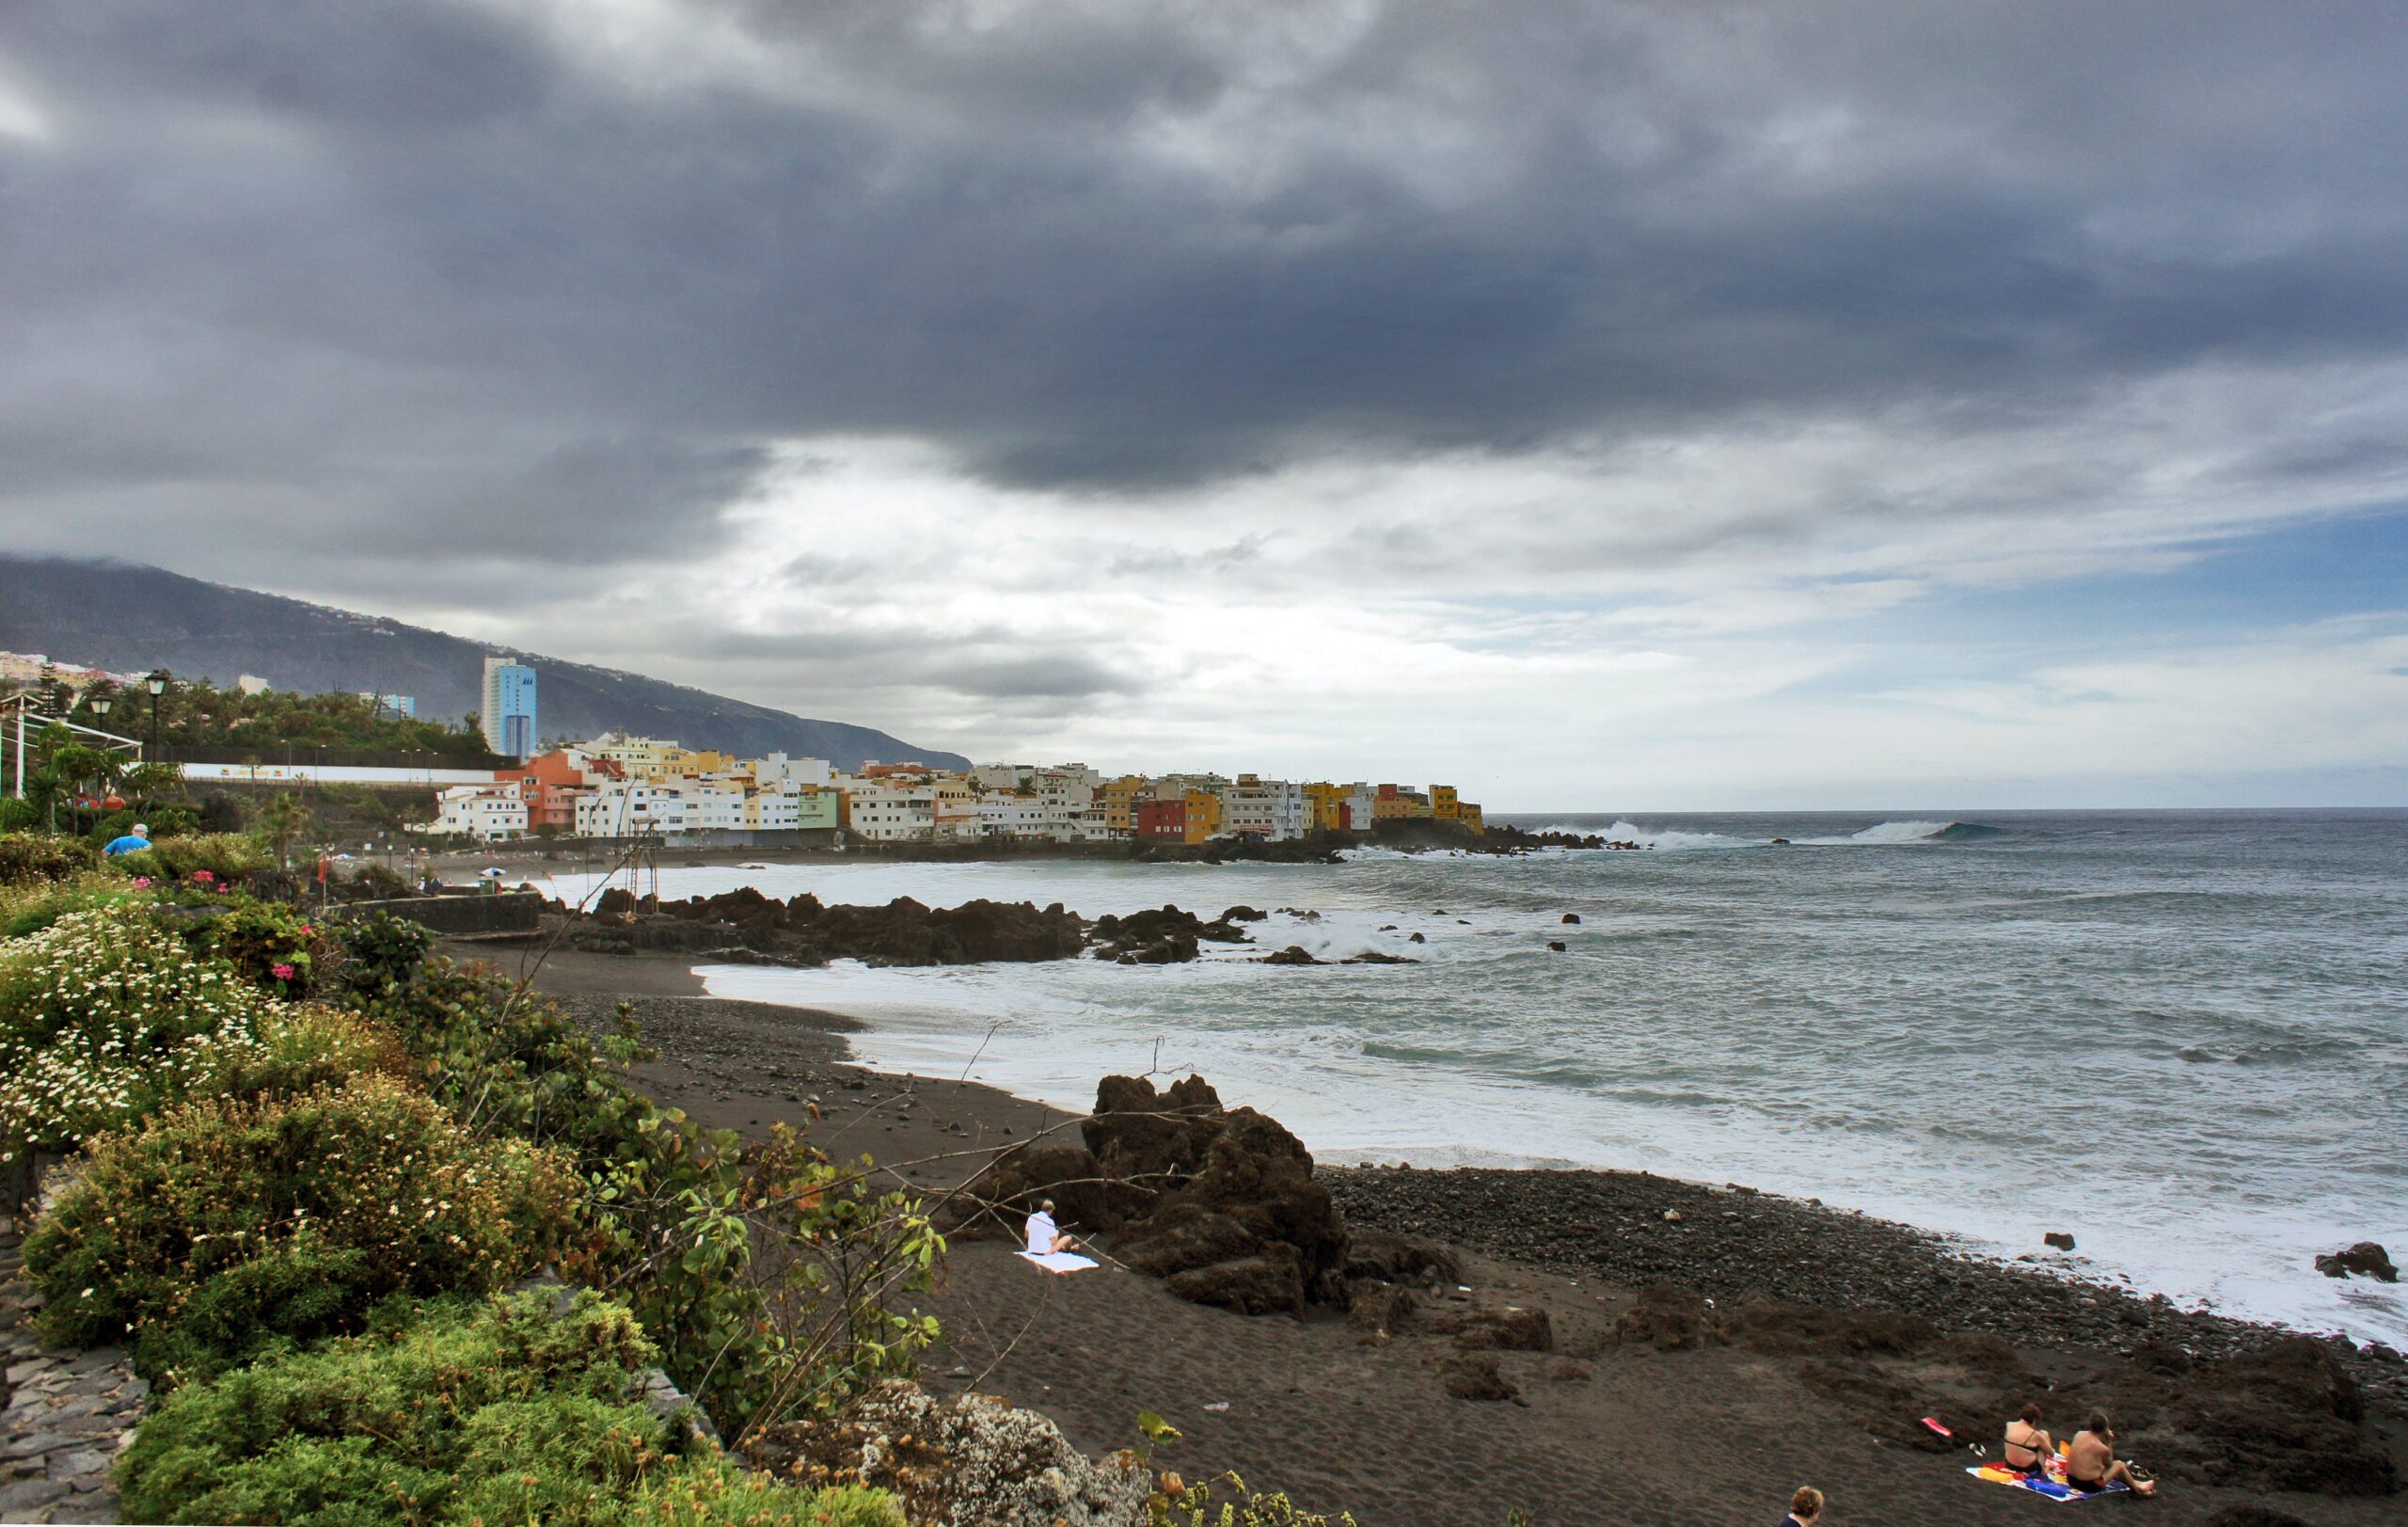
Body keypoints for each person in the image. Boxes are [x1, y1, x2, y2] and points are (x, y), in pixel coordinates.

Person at [2067, 1412, 2156, 1497]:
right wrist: (2109, 1441)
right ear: (2106, 1428)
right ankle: (2138, 1491)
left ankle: (2137, 1483)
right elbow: (2110, 1465)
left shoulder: (2079, 1434)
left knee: (2099, 1466)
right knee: (2119, 1465)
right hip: (2089, 1485)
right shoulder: (2102, 1448)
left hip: (2071, 1479)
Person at [2004, 1403, 2056, 1474]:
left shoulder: (2009, 1425)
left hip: (2010, 1465)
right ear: (2034, 1420)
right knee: (2044, 1433)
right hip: (2029, 1469)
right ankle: (2042, 1469)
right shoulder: (2035, 1434)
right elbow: (2051, 1453)